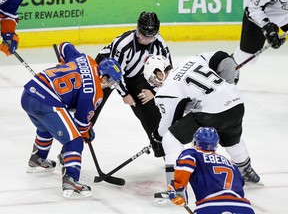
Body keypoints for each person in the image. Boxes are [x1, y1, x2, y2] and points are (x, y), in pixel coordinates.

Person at [143, 53, 260, 203]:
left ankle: (177, 188)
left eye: (153, 80)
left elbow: (167, 126)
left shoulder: (166, 88)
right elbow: (220, 56)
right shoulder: (191, 60)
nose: (155, 85)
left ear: (159, 73)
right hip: (236, 102)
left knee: (170, 139)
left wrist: (156, 136)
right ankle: (246, 171)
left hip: (213, 110)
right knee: (232, 140)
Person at [21, 42, 122, 198]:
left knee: (46, 127)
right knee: (74, 140)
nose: (109, 86)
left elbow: (64, 46)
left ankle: (38, 158)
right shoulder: (95, 92)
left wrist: (64, 63)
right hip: (47, 101)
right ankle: (71, 181)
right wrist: (87, 132)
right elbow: (81, 125)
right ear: (104, 76)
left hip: (28, 94)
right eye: (110, 82)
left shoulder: (86, 59)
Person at [91, 11, 172, 158]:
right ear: (137, 29)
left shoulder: (159, 43)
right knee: (91, 106)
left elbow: (165, 69)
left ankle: (166, 153)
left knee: (150, 111)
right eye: (143, 35)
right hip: (108, 69)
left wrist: (152, 91)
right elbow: (116, 72)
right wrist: (125, 94)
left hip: (135, 73)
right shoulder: (123, 44)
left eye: (151, 36)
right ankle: (71, 149)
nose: (146, 39)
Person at [167, 127, 255, 214]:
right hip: (244, 207)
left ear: (195, 142)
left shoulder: (193, 153)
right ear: (216, 145)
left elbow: (185, 164)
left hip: (211, 206)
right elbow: (240, 185)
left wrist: (177, 190)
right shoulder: (232, 164)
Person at [233, 0, 287, 67]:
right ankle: (230, 65)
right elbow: (252, 8)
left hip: (285, 15)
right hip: (261, 16)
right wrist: (267, 26)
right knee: (246, 58)